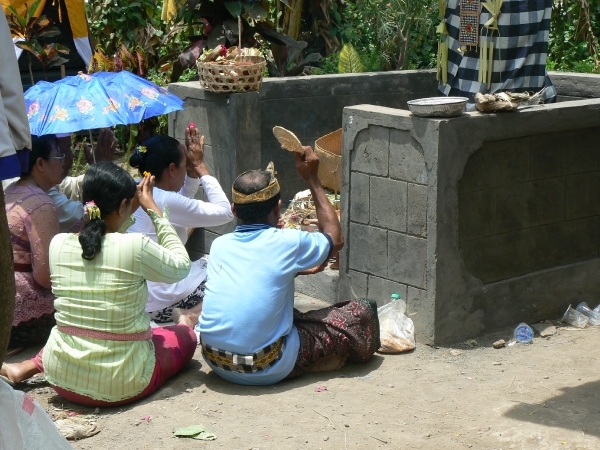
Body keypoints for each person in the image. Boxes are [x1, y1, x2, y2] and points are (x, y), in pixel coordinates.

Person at [1, 164, 197, 407]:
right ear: (124, 205)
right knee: (184, 336)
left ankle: (25, 367)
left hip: (61, 377)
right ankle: (186, 323)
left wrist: (128, 206)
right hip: (123, 383)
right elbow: (181, 266)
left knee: (75, 329)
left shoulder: (59, 244)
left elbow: (103, 230)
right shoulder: (134, 246)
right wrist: (153, 210)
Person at [196, 147, 380, 385]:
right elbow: (335, 240)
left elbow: (254, 276)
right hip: (267, 366)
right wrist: (312, 178)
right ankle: (307, 364)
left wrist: (296, 270)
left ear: (234, 211)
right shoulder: (287, 242)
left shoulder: (219, 245)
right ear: (278, 208)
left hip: (216, 361)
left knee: (281, 315)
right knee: (360, 312)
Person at [127, 124, 233, 324]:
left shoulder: (137, 187)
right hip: (161, 303)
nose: (189, 169)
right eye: (186, 165)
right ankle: (192, 314)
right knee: (235, 268)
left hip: (140, 302)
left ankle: (190, 313)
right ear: (172, 169)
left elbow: (178, 209)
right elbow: (226, 212)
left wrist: (192, 177)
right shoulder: (163, 198)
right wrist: (201, 167)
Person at [5, 135, 64, 352]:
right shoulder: (41, 204)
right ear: (40, 164)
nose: (64, 161)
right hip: (16, 313)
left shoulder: (11, 190)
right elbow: (46, 277)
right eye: (60, 156)